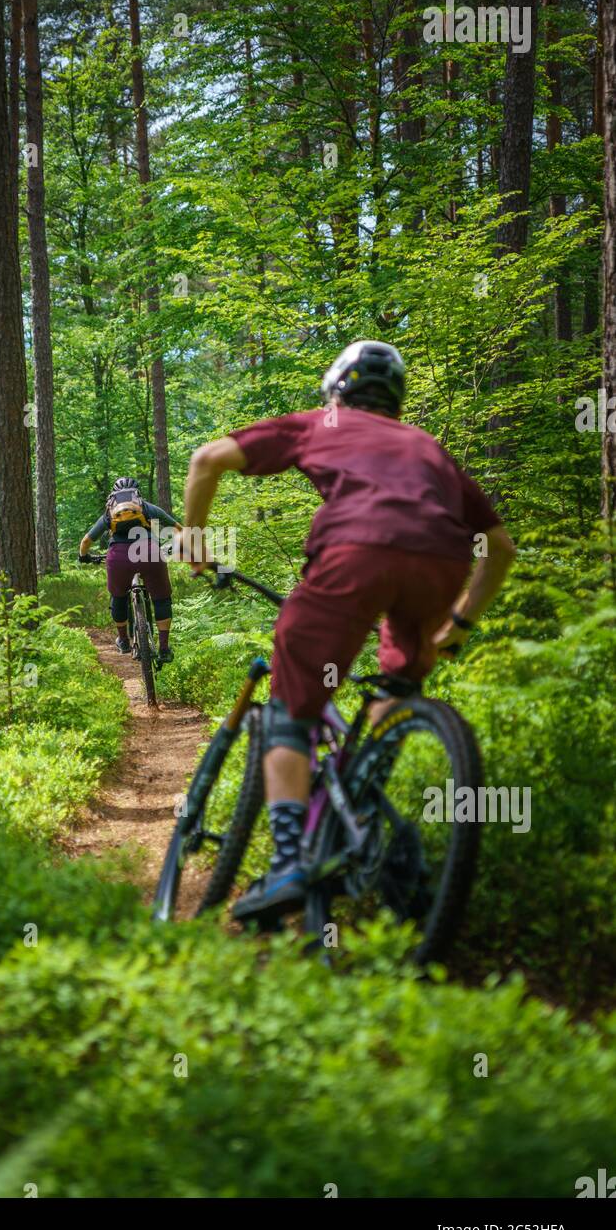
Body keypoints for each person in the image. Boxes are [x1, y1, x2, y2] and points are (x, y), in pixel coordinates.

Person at [177, 339, 516, 923]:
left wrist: (195, 538)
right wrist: (459, 622)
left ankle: (288, 862)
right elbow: (501, 548)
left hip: (353, 553)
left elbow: (207, 459)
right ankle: (360, 812)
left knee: (294, 700)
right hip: (441, 564)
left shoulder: (320, 423)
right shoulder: (428, 448)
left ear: (337, 388)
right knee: (399, 681)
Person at [79, 477, 182, 664]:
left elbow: (86, 541)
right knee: (161, 599)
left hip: (119, 557)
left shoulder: (109, 513)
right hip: (150, 553)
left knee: (118, 597)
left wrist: (83, 556)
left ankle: (124, 641)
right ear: (137, 494)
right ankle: (164, 648)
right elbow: (179, 530)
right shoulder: (148, 508)